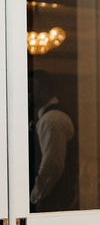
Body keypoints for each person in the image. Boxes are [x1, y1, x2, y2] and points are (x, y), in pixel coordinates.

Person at [29, 69, 77, 212]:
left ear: (44, 89)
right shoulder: (48, 118)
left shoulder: (52, 120)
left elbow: (53, 163)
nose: (29, 94)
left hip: (53, 200)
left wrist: (35, 196)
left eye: (32, 87)